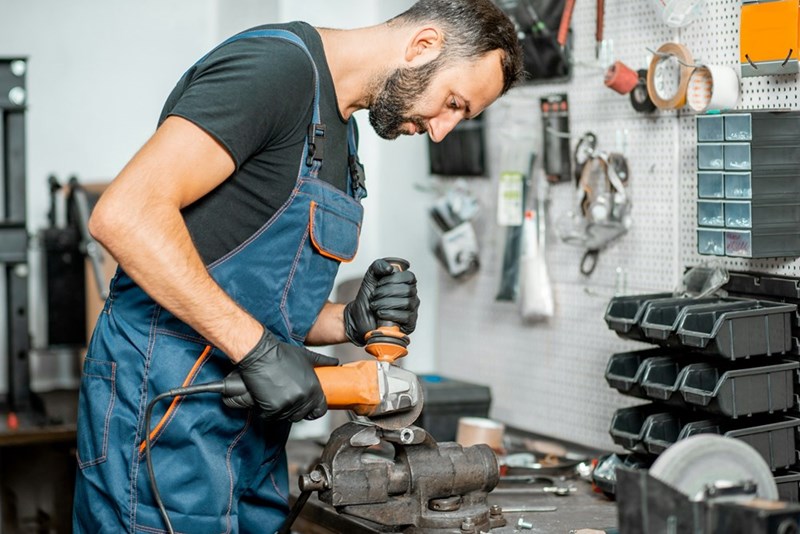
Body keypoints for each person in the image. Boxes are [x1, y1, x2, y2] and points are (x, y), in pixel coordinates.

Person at [72, 0, 524, 532]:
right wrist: (257, 352)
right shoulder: (274, 70)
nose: (443, 130)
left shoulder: (342, 133)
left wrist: (347, 320)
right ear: (422, 45)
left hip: (254, 431)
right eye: (452, 102)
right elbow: (125, 216)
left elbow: (258, 296)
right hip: (165, 411)